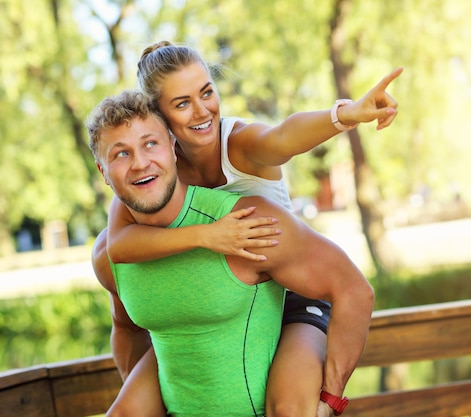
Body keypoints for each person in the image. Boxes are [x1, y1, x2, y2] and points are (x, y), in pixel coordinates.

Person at [105, 42, 401, 416]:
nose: (202, 111)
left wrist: (347, 114)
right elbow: (116, 246)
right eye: (182, 104)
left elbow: (283, 137)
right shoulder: (154, 167)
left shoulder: (239, 143)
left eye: (207, 93)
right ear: (158, 116)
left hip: (290, 289)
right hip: (225, 290)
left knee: (290, 408)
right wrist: (207, 236)